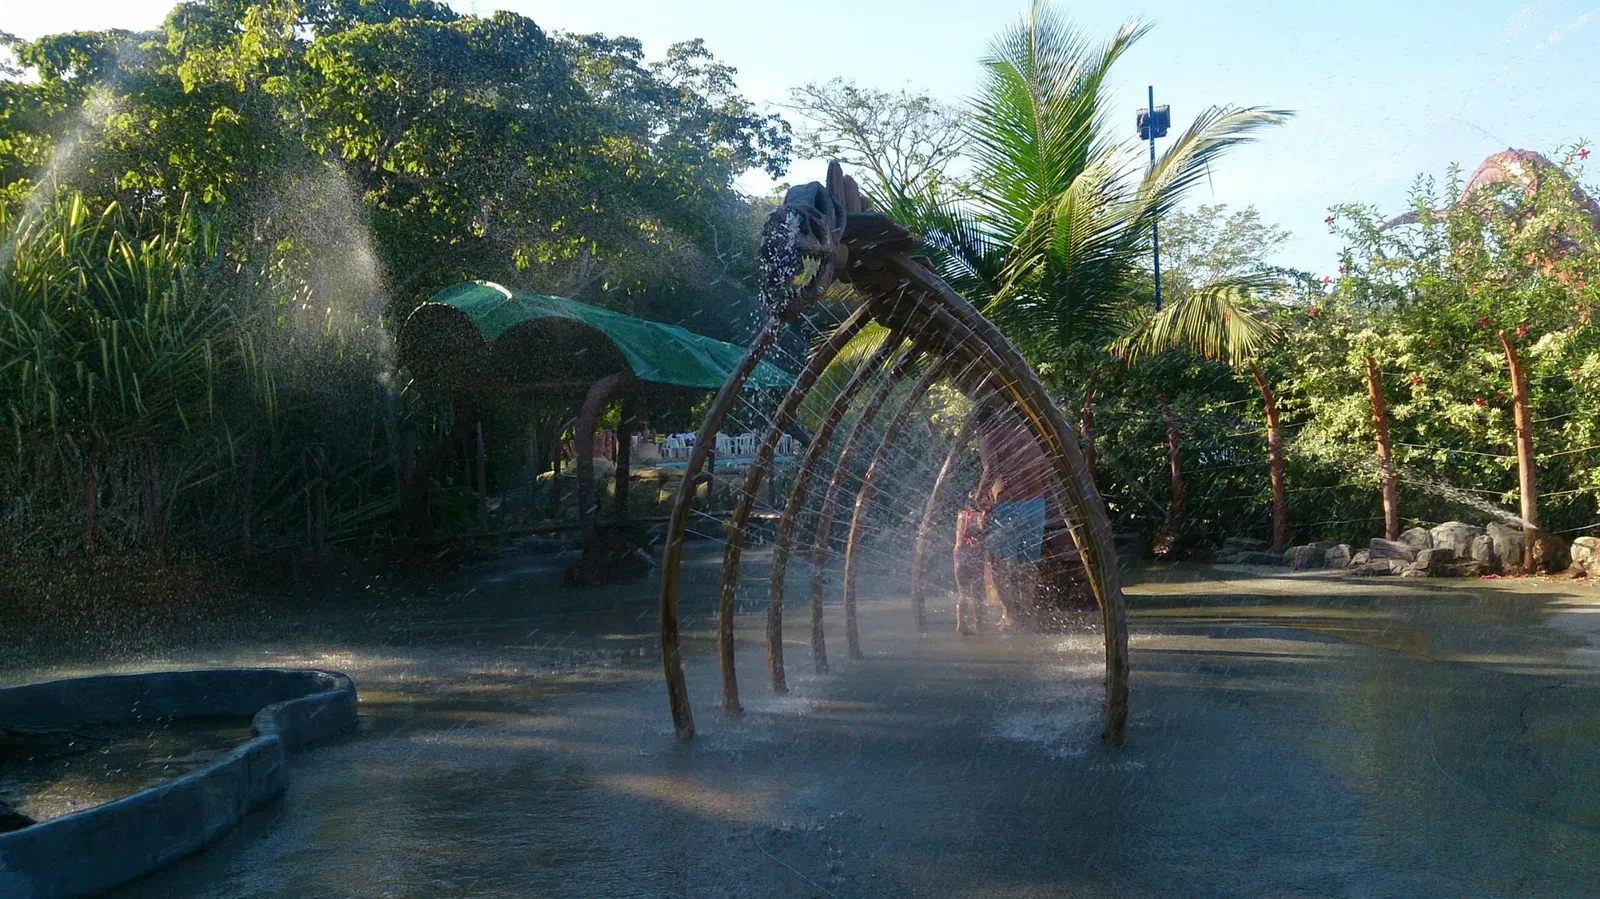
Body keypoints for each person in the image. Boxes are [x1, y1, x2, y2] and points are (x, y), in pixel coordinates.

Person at [972, 398, 1053, 627]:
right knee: (1027, 562)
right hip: (1036, 504)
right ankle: (1028, 610)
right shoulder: (1028, 434)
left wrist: (979, 496)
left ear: (980, 425)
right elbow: (1046, 469)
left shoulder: (989, 437)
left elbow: (991, 468)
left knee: (996, 562)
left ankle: (1010, 615)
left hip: (1008, 505)